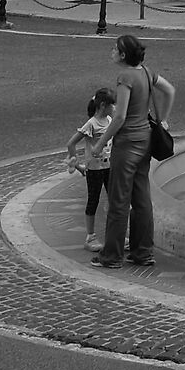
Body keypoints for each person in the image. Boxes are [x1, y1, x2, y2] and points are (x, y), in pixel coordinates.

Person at [93, 31, 175, 271]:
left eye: (114, 48)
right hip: (146, 142)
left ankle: (112, 256)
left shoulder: (125, 77)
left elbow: (119, 117)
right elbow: (170, 90)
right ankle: (143, 252)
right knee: (142, 199)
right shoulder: (147, 73)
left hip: (127, 143)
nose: (111, 51)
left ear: (122, 54)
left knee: (119, 201)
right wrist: (163, 120)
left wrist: (100, 144)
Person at [65, 84, 118, 253]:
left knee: (114, 199)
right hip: (94, 169)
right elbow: (72, 143)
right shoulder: (91, 124)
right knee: (93, 200)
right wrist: (77, 163)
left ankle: (115, 234)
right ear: (103, 106)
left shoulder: (110, 120)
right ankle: (90, 237)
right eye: (111, 105)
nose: (114, 108)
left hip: (108, 166)